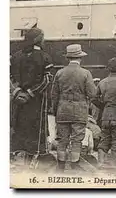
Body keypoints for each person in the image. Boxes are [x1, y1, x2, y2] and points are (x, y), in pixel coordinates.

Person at [51, 44, 96, 171]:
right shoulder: (86, 73)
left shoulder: (59, 73)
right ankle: (74, 168)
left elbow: (54, 95)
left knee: (62, 140)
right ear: (80, 58)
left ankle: (60, 169)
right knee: (77, 141)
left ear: (68, 58)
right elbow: (92, 93)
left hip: (62, 111)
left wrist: (56, 111)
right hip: (79, 112)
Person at [10, 27, 53, 157]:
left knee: (17, 126)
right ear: (38, 39)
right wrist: (30, 93)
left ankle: (15, 154)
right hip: (36, 101)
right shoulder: (45, 57)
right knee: (35, 129)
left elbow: (9, 77)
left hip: (18, 100)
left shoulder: (16, 56)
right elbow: (46, 80)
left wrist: (17, 92)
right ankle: (33, 157)